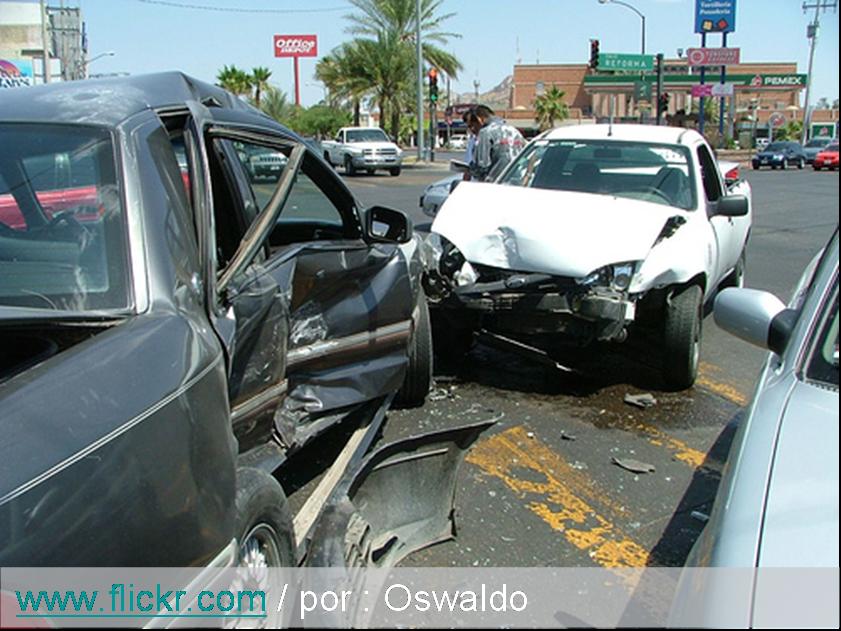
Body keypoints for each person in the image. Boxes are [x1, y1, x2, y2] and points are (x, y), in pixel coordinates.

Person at [468, 105, 526, 182]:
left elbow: (482, 166)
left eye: (472, 125)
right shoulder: (514, 131)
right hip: (518, 181)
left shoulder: (485, 132)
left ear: (479, 119)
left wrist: (470, 168)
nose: (472, 129)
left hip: (496, 182)